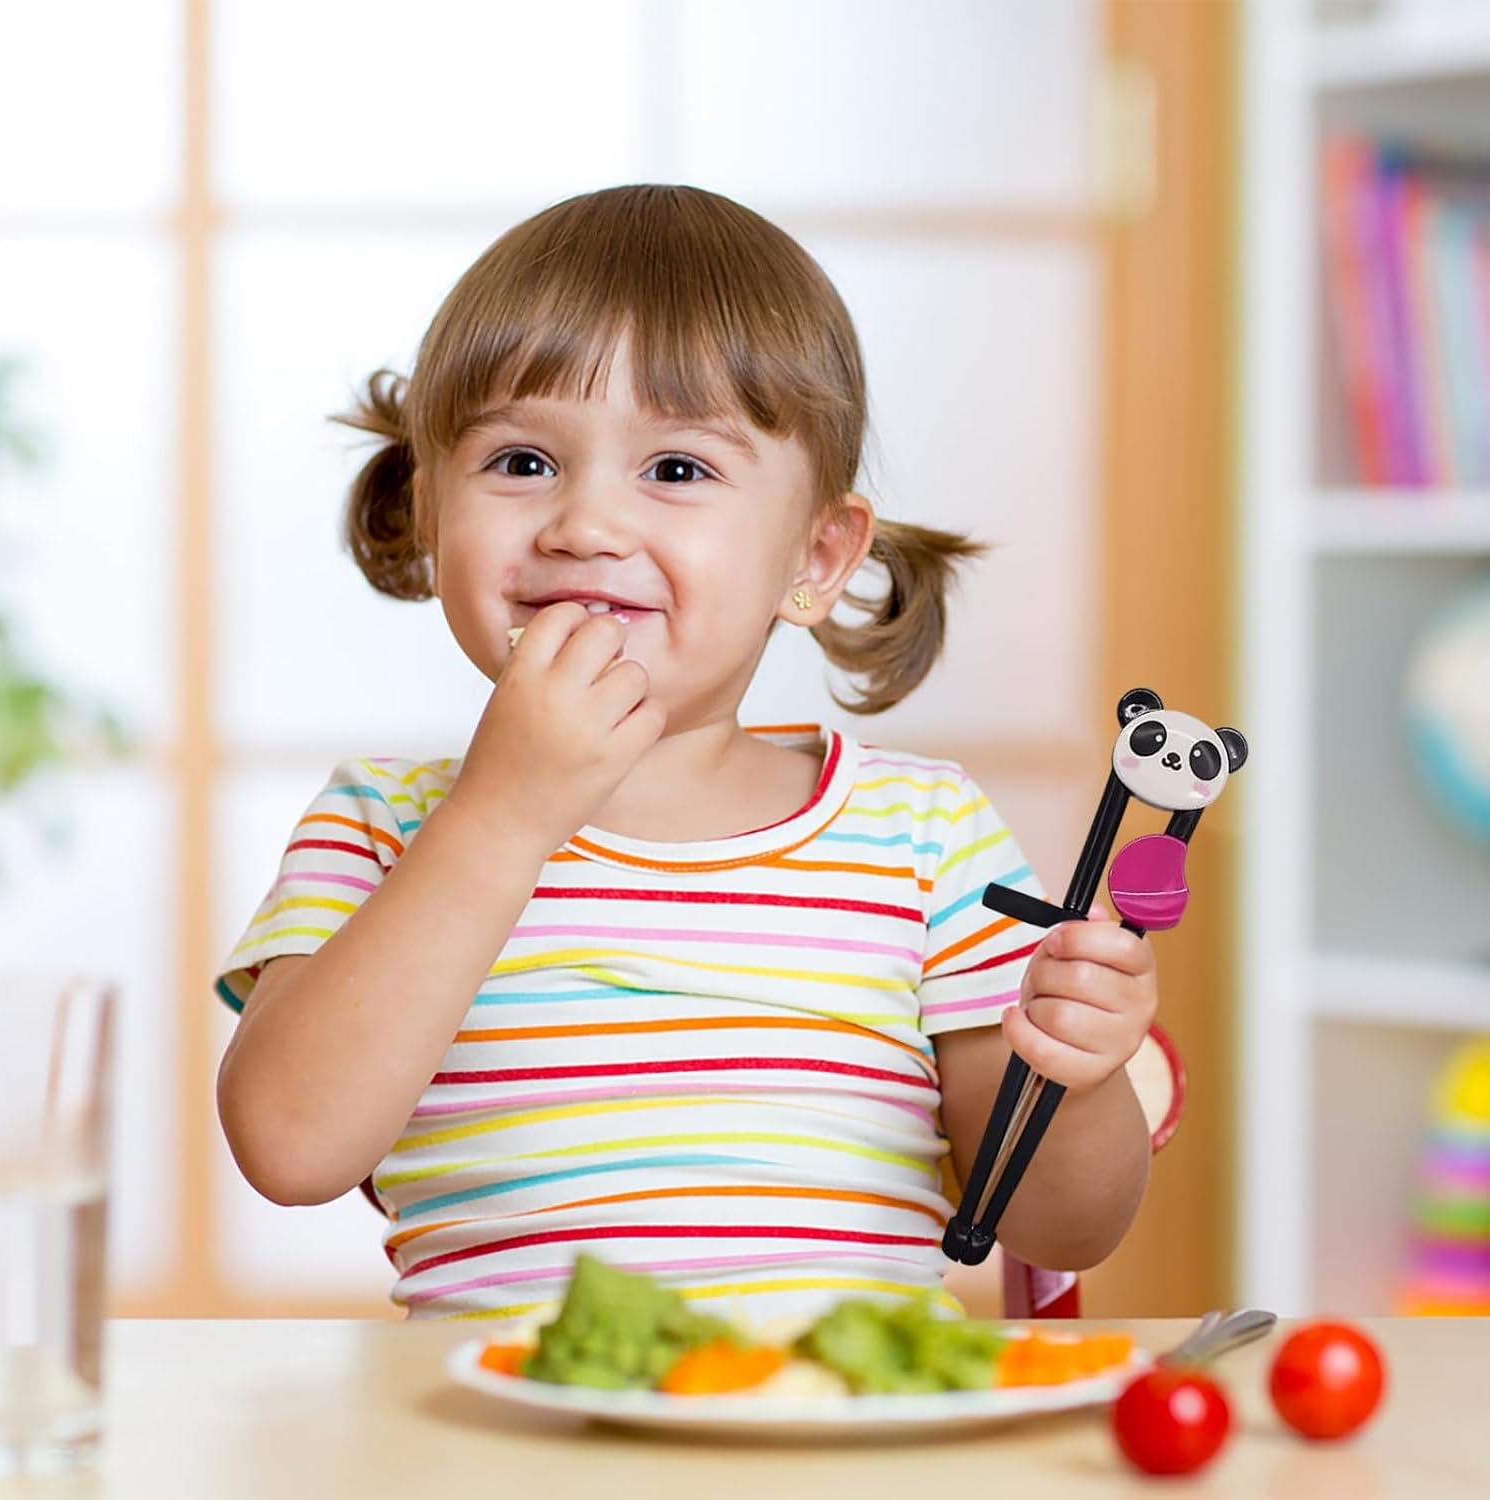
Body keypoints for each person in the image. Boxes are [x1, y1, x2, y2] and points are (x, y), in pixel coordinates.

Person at [214, 184, 1157, 1328]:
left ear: (815, 555)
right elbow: (291, 1147)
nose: (585, 526)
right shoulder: (380, 822)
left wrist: (1081, 1071)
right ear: (431, 510)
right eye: (521, 462)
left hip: (827, 1429)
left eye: (676, 470)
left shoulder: (921, 836)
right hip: (508, 1438)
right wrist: (504, 814)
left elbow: (1060, 1227)